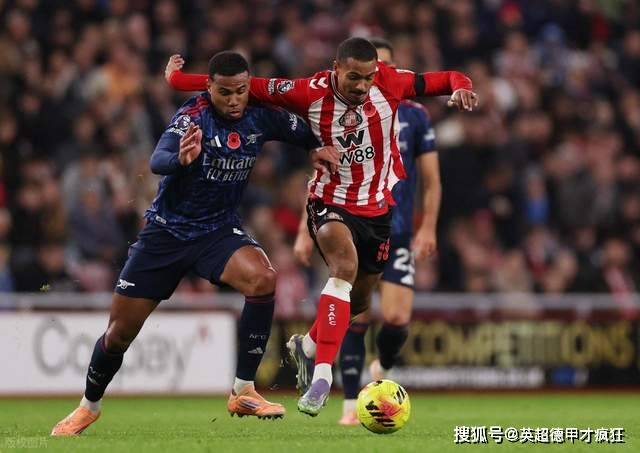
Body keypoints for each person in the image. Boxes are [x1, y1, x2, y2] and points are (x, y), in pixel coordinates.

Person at [166, 37, 477, 416]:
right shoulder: (307, 91)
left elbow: (446, 78)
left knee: (358, 303)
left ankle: (308, 346)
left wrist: (462, 87)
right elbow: (245, 85)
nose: (361, 86)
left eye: (368, 78)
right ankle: (322, 378)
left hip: (377, 209)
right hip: (329, 201)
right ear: (336, 69)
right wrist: (177, 80)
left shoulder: (391, 81)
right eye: (353, 77)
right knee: (343, 268)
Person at [51, 51, 338, 436]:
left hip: (217, 232)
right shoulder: (193, 117)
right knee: (118, 334)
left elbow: (302, 129)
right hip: (166, 234)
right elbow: (158, 159)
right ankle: (88, 406)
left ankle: (243, 390)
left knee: (263, 279)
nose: (234, 100)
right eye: (225, 92)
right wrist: (181, 159)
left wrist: (315, 148)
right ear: (209, 87)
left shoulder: (259, 115)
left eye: (241, 91)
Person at [293, 37, 441, 425]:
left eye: (378, 72)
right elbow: (321, 174)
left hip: (394, 225)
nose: (370, 82)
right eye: (360, 75)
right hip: (345, 212)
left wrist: (428, 225)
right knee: (353, 308)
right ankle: (344, 403)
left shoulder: (415, 116)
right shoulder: (336, 107)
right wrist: (304, 232)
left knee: (391, 317)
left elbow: (431, 178)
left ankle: (356, 360)